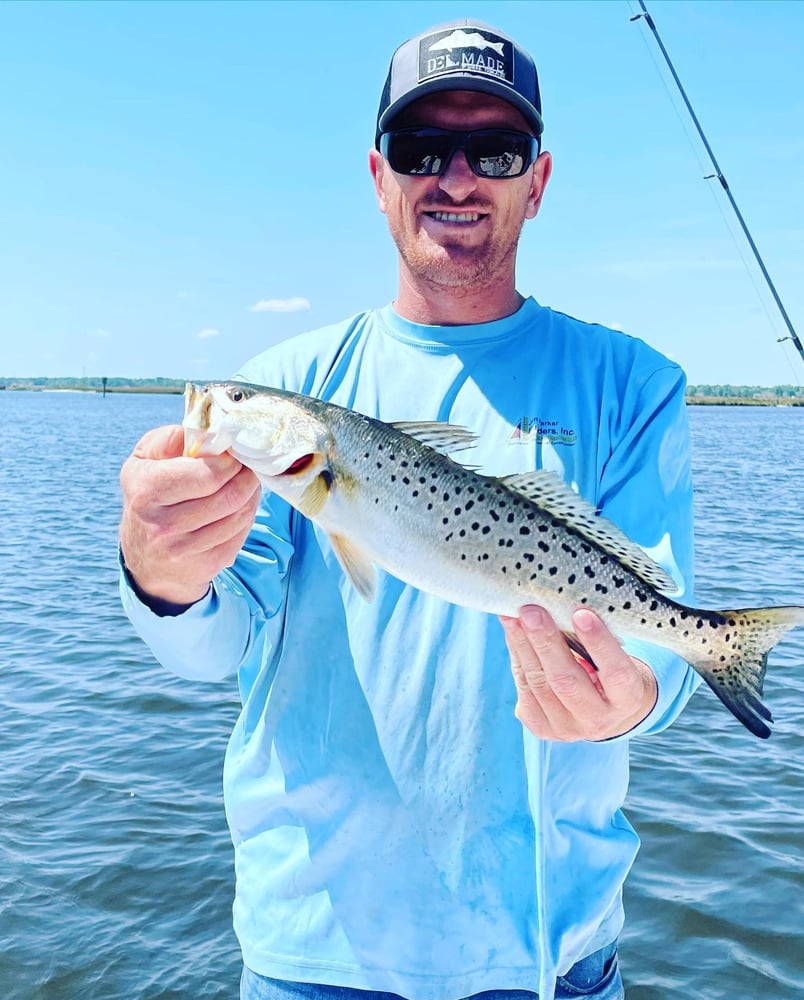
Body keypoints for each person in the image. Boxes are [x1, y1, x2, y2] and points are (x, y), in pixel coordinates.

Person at [119, 19, 699, 1000]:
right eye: (422, 149)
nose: (458, 177)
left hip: (549, 960)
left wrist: (630, 698)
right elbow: (210, 648)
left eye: (496, 149)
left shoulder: (633, 383)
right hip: (315, 957)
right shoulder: (289, 378)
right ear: (379, 177)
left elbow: (661, 644)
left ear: (539, 179)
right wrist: (158, 570)